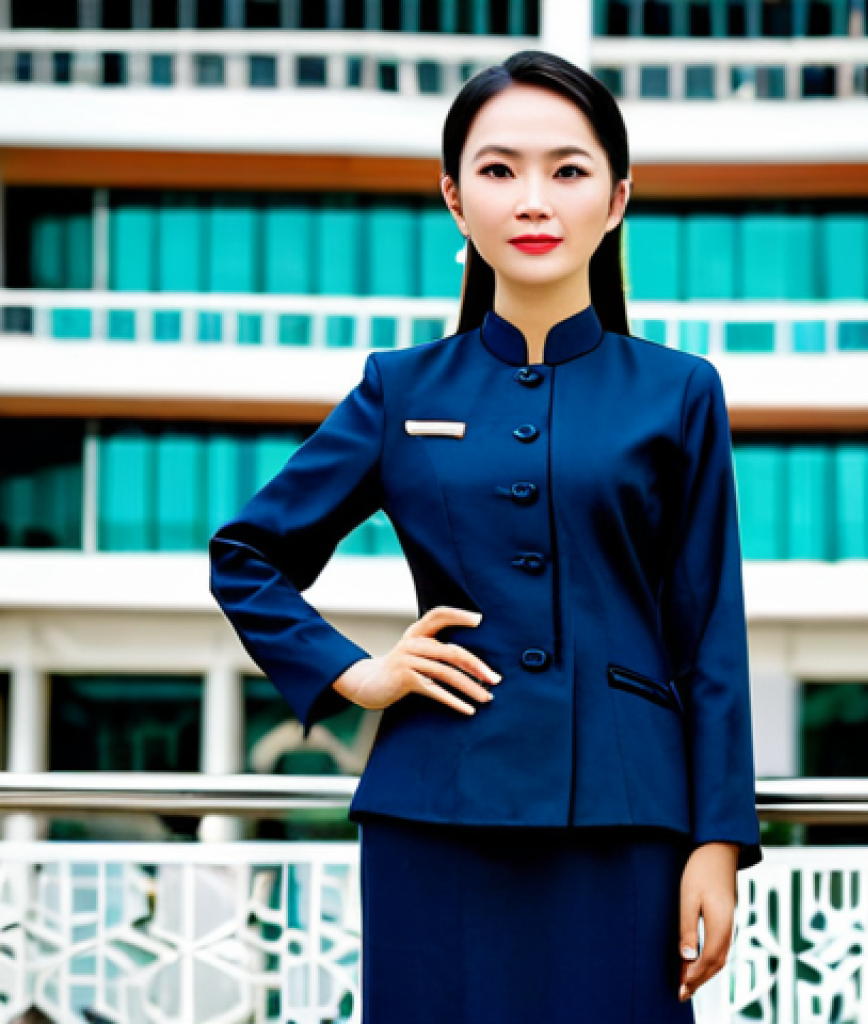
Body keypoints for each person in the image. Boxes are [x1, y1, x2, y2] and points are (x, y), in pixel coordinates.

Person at [209, 48, 762, 1024]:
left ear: (618, 198)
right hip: (436, 811)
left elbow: (706, 635)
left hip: (628, 821)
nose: (534, 199)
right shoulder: (399, 389)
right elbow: (248, 555)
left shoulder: (680, 392)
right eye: (499, 170)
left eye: (569, 169)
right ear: (455, 201)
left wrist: (717, 840)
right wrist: (353, 672)